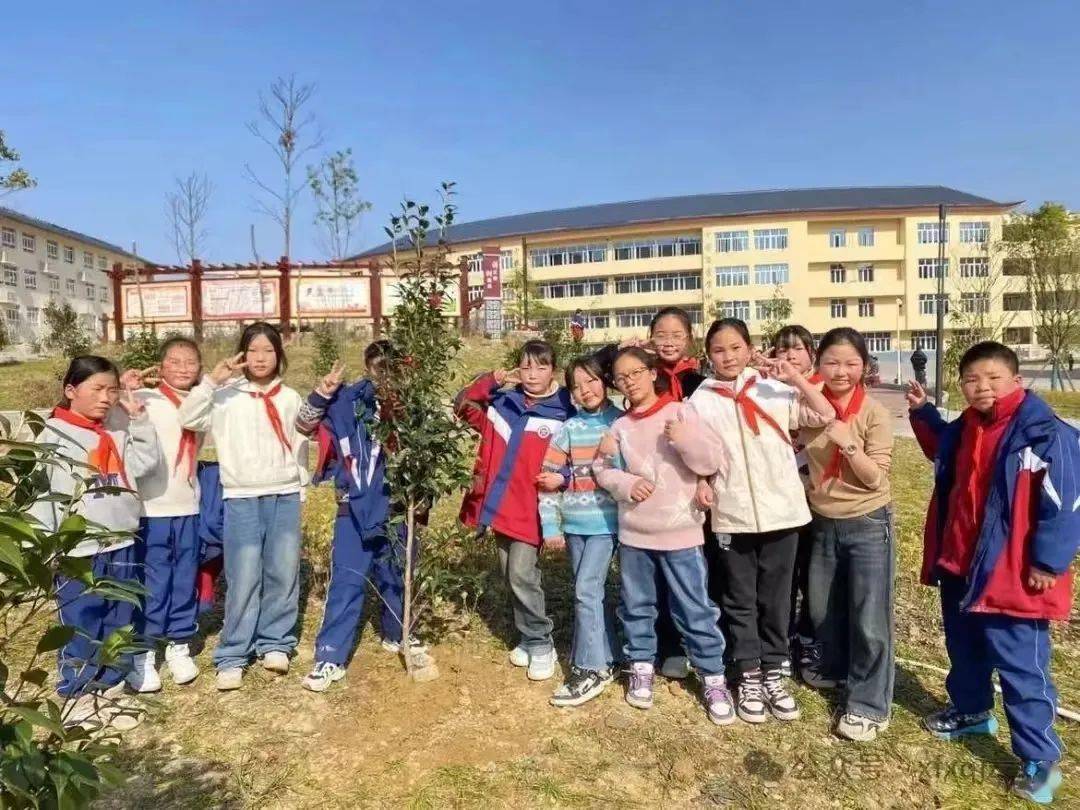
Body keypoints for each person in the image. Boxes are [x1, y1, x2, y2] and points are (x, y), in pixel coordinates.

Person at [908, 341, 1079, 805]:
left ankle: (1040, 761)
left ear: (1016, 380)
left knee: (1023, 666)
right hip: (961, 563)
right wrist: (922, 413)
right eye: (971, 379)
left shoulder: (1044, 434)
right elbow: (939, 449)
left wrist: (1049, 560)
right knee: (964, 647)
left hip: (1012, 572)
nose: (981, 387)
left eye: (992, 378)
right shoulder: (965, 427)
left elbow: (1066, 504)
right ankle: (971, 711)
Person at [671, 318, 833, 724]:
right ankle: (749, 673)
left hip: (783, 511)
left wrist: (794, 376)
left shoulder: (774, 388)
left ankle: (775, 669)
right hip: (732, 514)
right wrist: (702, 484)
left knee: (776, 598)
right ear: (708, 356)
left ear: (750, 348)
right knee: (739, 598)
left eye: (736, 348)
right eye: (719, 350)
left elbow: (824, 412)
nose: (728, 356)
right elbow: (694, 455)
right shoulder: (700, 401)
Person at [593, 346, 735, 725]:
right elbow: (602, 470)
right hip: (636, 534)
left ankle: (712, 675)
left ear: (652, 372)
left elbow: (709, 462)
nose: (629, 381)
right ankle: (640, 664)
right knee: (637, 604)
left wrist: (684, 438)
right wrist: (625, 482)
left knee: (694, 607)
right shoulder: (619, 427)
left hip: (682, 533)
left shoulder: (680, 411)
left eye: (636, 372)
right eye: (621, 377)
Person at [31, 356, 164, 730]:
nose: (106, 398)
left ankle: (110, 686)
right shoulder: (54, 435)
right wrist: (49, 547)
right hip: (79, 549)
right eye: (97, 389)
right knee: (82, 621)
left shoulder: (116, 431)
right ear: (71, 390)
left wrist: (138, 420)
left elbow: (144, 466)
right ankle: (78, 694)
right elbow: (43, 497)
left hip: (120, 540)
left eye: (112, 389)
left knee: (117, 617)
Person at [177, 322, 309, 691]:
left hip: (283, 493)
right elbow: (187, 418)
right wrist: (210, 383)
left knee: (283, 571)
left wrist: (301, 489)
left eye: (268, 350)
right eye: (253, 351)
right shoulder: (225, 396)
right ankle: (233, 653)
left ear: (279, 355)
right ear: (242, 355)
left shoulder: (290, 397)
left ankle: (276, 641)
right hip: (240, 497)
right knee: (243, 575)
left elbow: (300, 445)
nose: (261, 358)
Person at [298, 342, 423, 692]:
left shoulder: (412, 406)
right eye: (378, 366)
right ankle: (329, 657)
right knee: (347, 581)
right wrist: (323, 393)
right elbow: (303, 424)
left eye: (392, 366)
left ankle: (399, 633)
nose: (385, 374)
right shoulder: (349, 400)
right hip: (352, 507)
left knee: (398, 573)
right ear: (368, 367)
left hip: (397, 509)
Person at [454, 339, 575, 681]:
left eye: (541, 366)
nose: (532, 374)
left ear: (554, 370)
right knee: (511, 575)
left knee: (522, 574)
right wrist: (490, 379)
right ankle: (527, 635)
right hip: (500, 506)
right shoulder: (503, 402)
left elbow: (584, 451)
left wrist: (562, 477)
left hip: (534, 508)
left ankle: (541, 643)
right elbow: (462, 404)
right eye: (525, 366)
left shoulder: (565, 410)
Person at [595, 306, 704, 680]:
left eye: (677, 334)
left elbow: (709, 451)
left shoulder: (697, 382)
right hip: (641, 516)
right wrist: (624, 350)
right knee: (643, 589)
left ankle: (683, 649)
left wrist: (702, 474)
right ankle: (646, 653)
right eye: (662, 334)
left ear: (689, 338)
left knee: (689, 587)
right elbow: (597, 368)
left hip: (684, 506)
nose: (669, 340)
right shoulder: (631, 385)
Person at [799, 328, 895, 742]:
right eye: (832, 362)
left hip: (867, 521)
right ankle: (837, 669)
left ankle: (869, 705)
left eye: (851, 363)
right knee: (823, 609)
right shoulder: (807, 406)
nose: (841, 371)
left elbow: (876, 479)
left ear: (865, 367)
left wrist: (849, 444)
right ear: (818, 364)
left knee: (870, 618)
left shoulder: (873, 412)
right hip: (822, 519)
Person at [538, 355, 622, 707]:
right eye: (576, 385)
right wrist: (550, 525)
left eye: (591, 381)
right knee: (591, 593)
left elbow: (635, 470)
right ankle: (610, 655)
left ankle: (589, 669)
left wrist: (615, 455)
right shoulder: (568, 429)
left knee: (586, 591)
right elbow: (546, 480)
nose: (585, 390)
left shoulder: (620, 423)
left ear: (604, 381)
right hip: (575, 524)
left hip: (607, 524)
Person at [123, 337, 205, 693]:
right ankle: (143, 650)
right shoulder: (147, 399)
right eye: (175, 361)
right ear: (161, 366)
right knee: (153, 580)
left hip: (187, 503)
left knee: (184, 576)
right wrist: (125, 388)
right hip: (151, 507)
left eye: (191, 362)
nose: (184, 368)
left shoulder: (204, 401)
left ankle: (179, 642)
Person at [772, 324, 822, 679]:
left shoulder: (818, 389)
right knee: (785, 573)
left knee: (813, 574)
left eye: (797, 350)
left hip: (816, 496)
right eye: (782, 349)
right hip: (781, 498)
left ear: (811, 354)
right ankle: (784, 636)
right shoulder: (769, 389)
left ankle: (810, 638)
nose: (789, 356)